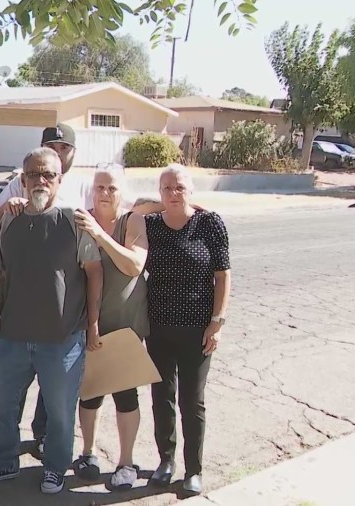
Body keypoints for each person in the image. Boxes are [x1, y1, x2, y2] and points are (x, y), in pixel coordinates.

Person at [0, 147, 103, 495]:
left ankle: (55, 469)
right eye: (33, 175)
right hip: (13, 335)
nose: (40, 181)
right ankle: (3, 463)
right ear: (23, 180)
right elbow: (1, 274)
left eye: (48, 175)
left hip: (62, 339)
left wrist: (92, 324)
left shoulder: (75, 221)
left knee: (60, 412)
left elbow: (94, 272)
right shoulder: (10, 221)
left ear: (59, 179)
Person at [144, 164, 231, 495]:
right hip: (158, 327)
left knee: (191, 401)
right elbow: (131, 211)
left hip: (198, 330)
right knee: (161, 397)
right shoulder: (151, 224)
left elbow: (223, 275)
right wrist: (163, 205)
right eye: (166, 188)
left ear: (191, 190)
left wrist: (217, 322)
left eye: (180, 187)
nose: (173, 193)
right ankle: (165, 462)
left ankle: (193, 469)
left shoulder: (209, 223)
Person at [70, 166, 150, 490]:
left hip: (125, 325)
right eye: (99, 187)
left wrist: (100, 235)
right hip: (88, 324)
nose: (104, 193)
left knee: (125, 394)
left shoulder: (132, 221)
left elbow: (134, 265)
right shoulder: (81, 219)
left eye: (112, 188)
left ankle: (126, 462)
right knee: (90, 393)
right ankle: (88, 453)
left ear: (122, 192)